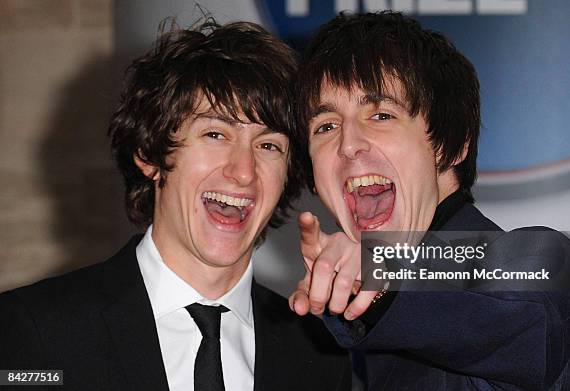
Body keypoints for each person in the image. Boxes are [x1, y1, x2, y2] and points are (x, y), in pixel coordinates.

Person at [0, 18, 351, 391]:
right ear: (149, 154)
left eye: (269, 146)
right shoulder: (36, 329)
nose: (244, 172)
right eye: (215, 134)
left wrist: (382, 263)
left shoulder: (318, 351)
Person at [289, 11, 570, 390]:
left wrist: (383, 278)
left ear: (450, 145)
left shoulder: (542, 262)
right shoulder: (338, 332)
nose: (347, 145)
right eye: (326, 126)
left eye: (381, 115)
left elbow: (523, 319)